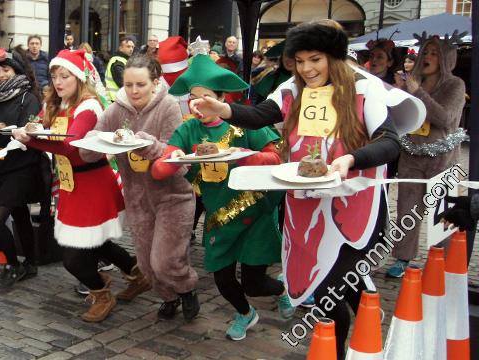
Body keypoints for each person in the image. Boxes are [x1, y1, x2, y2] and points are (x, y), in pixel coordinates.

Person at [189, 20, 419, 358]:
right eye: (299, 60)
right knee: (330, 282)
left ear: (334, 58)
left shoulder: (363, 89)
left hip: (354, 205)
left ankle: (341, 344)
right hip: (306, 206)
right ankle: (358, 321)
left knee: (334, 286)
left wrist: (350, 160)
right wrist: (223, 109)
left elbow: (389, 142)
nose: (307, 68)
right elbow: (262, 115)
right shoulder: (292, 90)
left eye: (315, 59)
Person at [152, 54, 295, 340]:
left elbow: (277, 156)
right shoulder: (188, 129)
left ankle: (281, 289)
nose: (198, 104)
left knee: (254, 283)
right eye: (193, 98)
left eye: (206, 97)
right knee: (223, 279)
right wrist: (174, 158)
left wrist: (242, 158)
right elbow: (159, 170)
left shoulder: (241, 122)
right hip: (219, 216)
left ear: (220, 99)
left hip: (255, 212)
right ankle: (245, 313)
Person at [12, 49, 151, 322]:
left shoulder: (89, 106)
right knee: (97, 245)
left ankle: (101, 292)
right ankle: (138, 274)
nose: (58, 82)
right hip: (70, 185)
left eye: (65, 76)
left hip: (93, 184)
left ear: (78, 76)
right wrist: (17, 131)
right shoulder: (56, 103)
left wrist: (32, 141)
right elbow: (39, 126)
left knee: (73, 257)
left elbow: (72, 146)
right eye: (54, 77)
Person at [79, 55, 200, 322]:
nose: (133, 91)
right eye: (129, 84)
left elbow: (178, 160)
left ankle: (187, 289)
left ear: (155, 83)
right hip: (137, 200)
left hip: (173, 197)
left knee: (164, 261)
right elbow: (90, 149)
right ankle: (169, 297)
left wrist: (145, 143)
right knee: (146, 265)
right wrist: (92, 140)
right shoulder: (117, 109)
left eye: (141, 85)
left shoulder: (168, 107)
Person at [387, 31, 467, 278]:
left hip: (442, 157)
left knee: (441, 209)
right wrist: (399, 93)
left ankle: (440, 258)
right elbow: (399, 117)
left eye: (435, 53)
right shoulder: (413, 80)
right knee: (406, 208)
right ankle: (402, 257)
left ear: (446, 58)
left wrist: (417, 92)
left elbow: (444, 118)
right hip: (411, 154)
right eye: (426, 52)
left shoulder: (455, 84)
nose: (428, 57)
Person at [0, 46, 43, 289]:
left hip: (23, 165)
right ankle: (31, 263)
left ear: (16, 71)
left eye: (6, 69)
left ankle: (12, 264)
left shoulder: (29, 98)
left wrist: (4, 127)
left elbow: (28, 130)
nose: (1, 74)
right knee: (19, 213)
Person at [105, 36, 135, 101]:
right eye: (128, 46)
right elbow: (123, 82)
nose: (131, 49)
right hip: (116, 99)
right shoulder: (117, 61)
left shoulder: (124, 60)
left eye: (132, 47)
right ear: (120, 48)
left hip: (119, 99)